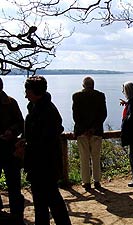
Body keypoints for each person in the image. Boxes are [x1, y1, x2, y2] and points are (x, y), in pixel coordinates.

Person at [18, 76, 72, 225]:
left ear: (36, 91)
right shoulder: (37, 107)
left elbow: (44, 141)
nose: (25, 95)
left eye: (27, 91)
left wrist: (27, 146)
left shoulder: (46, 111)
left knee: (52, 201)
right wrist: (25, 140)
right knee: (43, 202)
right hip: (40, 165)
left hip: (45, 165)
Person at [72, 76, 107, 190]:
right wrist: (93, 129)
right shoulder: (100, 96)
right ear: (93, 85)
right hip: (96, 132)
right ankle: (97, 181)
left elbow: (76, 116)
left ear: (83, 85)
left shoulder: (76, 96)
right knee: (96, 157)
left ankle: (86, 182)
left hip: (82, 133)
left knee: (84, 157)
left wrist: (84, 129)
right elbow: (103, 114)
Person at [0, 78, 25, 225]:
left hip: (10, 151)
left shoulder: (11, 103)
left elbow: (20, 124)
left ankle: (16, 217)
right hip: (10, 151)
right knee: (14, 186)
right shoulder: (11, 102)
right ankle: (15, 216)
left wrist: (11, 131)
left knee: (14, 187)